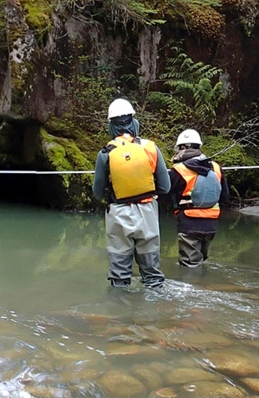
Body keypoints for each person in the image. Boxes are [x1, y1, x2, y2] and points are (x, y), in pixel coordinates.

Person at [92, 98, 170, 289]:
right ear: (134, 122)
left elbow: (97, 193)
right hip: (147, 212)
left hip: (118, 214)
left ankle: (119, 315)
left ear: (111, 125)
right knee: (152, 275)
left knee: (119, 275)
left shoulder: (105, 153)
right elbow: (165, 187)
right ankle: (153, 313)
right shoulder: (151, 148)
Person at [168, 129, 223, 268]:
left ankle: (193, 287)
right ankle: (202, 285)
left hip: (189, 222)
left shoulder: (177, 170)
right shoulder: (216, 167)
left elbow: (167, 195)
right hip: (211, 224)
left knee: (190, 265)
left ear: (181, 148)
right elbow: (225, 196)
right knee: (200, 260)